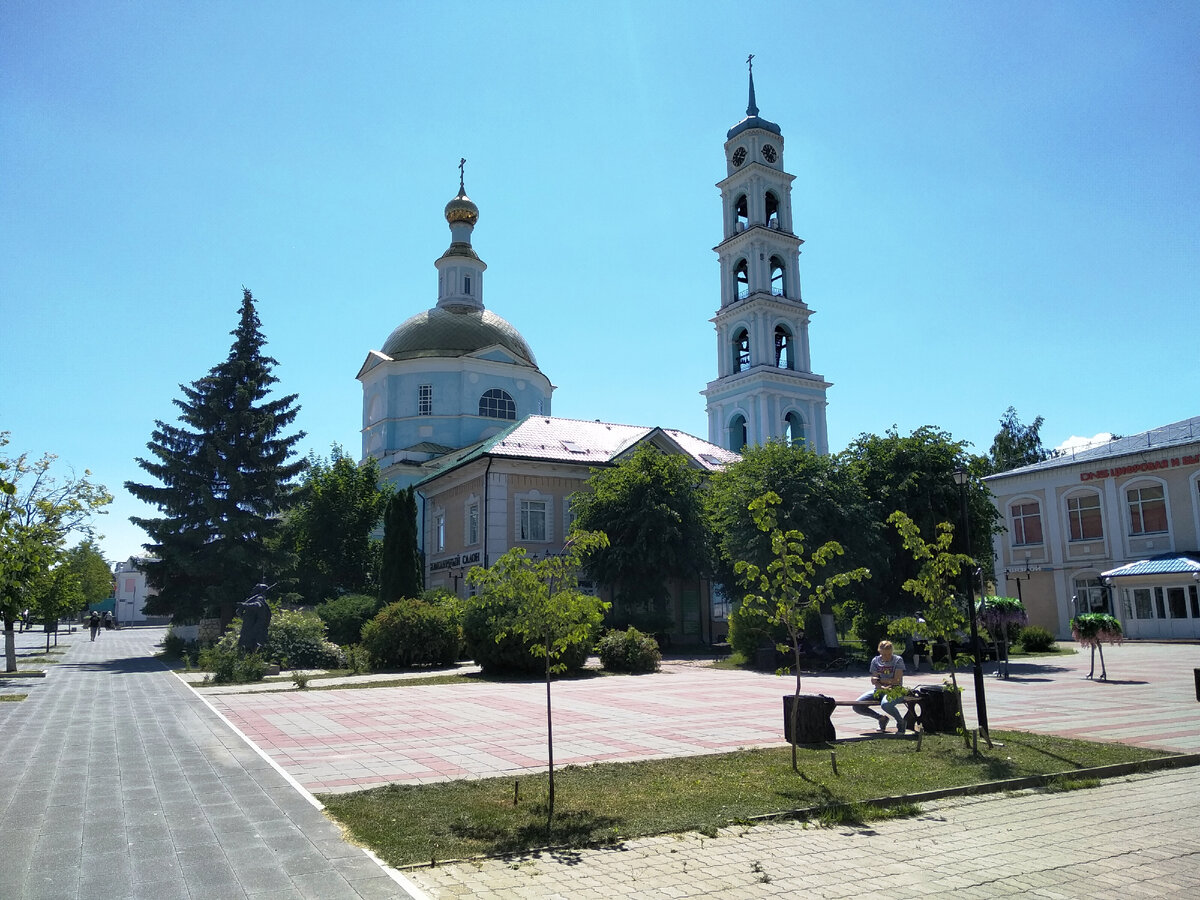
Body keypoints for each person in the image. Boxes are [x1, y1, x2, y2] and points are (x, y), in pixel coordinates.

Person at [854, 639, 906, 734]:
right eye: (884, 655)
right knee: (856, 705)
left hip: (896, 690)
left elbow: (896, 680)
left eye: (889, 654)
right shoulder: (875, 660)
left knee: (886, 704)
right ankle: (881, 718)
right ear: (879, 652)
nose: (886, 657)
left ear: (892, 652)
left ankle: (901, 722)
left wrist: (880, 680)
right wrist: (879, 685)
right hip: (879, 690)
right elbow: (874, 680)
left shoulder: (898, 660)